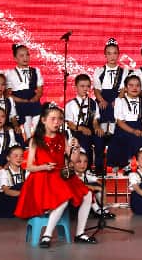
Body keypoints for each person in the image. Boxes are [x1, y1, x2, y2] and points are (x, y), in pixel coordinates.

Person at [15, 103, 96, 247]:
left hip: (61, 175)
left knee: (87, 195)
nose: (56, 122)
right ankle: (47, 235)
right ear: (43, 120)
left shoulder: (62, 137)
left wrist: (76, 147)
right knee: (63, 198)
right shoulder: (35, 140)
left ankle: (80, 233)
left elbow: (73, 160)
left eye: (59, 119)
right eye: (52, 119)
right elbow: (29, 166)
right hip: (42, 178)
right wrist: (43, 167)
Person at [109, 75, 142, 169]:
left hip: (139, 127)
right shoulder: (120, 101)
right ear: (125, 88)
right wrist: (133, 131)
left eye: (137, 85)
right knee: (125, 139)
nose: (134, 88)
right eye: (131, 85)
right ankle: (126, 164)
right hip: (124, 128)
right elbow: (120, 122)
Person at [65, 74, 105, 170]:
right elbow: (70, 124)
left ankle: (99, 168)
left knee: (100, 139)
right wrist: (82, 129)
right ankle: (86, 168)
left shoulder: (93, 103)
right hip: (78, 130)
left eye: (87, 86)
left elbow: (95, 120)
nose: (85, 89)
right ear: (76, 87)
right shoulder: (70, 104)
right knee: (85, 143)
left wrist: (97, 127)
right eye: (82, 86)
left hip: (91, 128)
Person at [6, 43, 44, 140]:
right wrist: (21, 100)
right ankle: (28, 140)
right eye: (21, 55)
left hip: (33, 100)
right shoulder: (10, 73)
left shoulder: (35, 71)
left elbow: (40, 90)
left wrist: (35, 98)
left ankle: (38, 141)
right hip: (20, 102)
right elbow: (8, 94)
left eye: (27, 55)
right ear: (15, 58)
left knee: (38, 123)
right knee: (27, 124)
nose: (25, 58)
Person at [0, 145, 27, 218]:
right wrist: (25, 194)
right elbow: (7, 191)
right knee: (20, 186)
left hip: (20, 197)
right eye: (16, 156)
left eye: (21, 156)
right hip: (8, 199)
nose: (19, 158)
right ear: (8, 158)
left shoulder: (25, 171)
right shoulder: (4, 172)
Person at [73, 151, 115, 219]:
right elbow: (78, 186)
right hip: (75, 201)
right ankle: (97, 210)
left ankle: (103, 207)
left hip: (86, 201)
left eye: (85, 161)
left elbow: (95, 180)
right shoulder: (72, 175)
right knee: (89, 190)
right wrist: (94, 187)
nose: (83, 164)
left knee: (98, 186)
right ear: (72, 163)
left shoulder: (84, 175)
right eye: (79, 161)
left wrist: (102, 187)